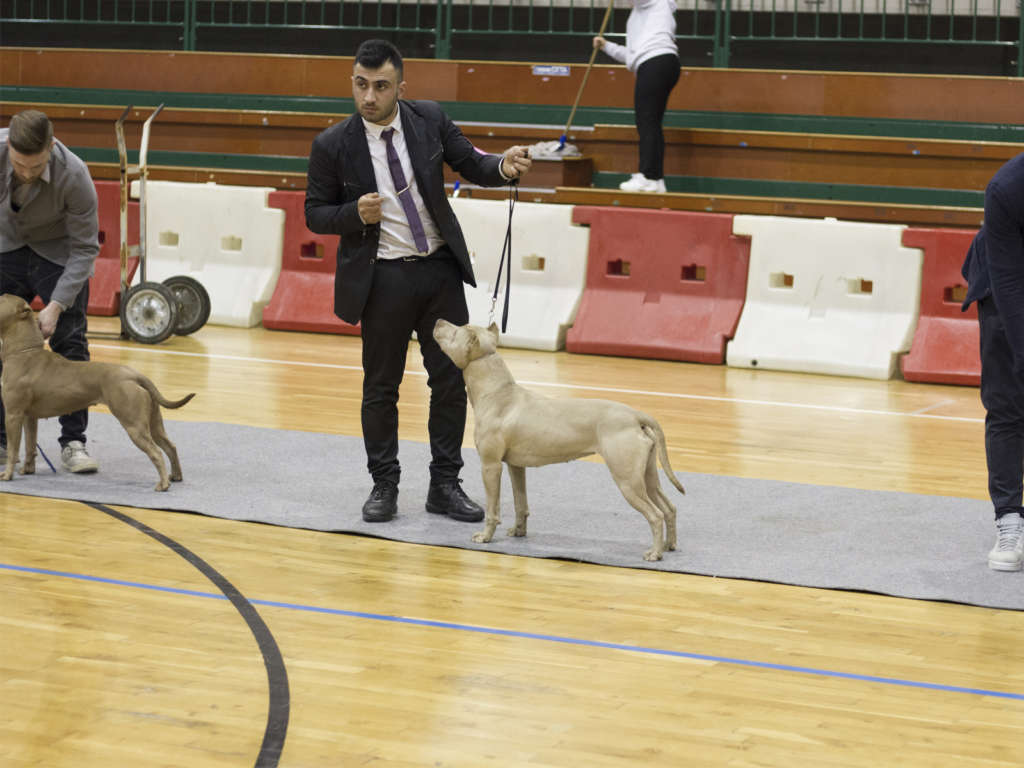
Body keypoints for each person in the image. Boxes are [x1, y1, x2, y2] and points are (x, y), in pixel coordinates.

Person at [305, 39, 532, 524]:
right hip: (381, 278)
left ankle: (445, 485)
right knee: (381, 388)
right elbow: (315, 213)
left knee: (450, 382)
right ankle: (384, 485)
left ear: (400, 87)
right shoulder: (331, 145)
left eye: (380, 86)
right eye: (361, 85)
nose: (369, 96)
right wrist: (352, 214)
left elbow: (474, 163)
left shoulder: (429, 119)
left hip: (438, 271)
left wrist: (503, 165)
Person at [0, 109, 100, 474]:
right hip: (5, 247)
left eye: (36, 167)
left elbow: (86, 248)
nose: (26, 173)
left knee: (70, 343)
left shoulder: (75, 175)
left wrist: (57, 304)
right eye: (19, 165)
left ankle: (73, 442)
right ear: (9, 145)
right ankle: (2, 440)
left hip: (55, 254)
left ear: (52, 146)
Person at [961, 152, 1024, 571]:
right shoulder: (1007, 188)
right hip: (1006, 282)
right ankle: (1009, 519)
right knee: (1006, 403)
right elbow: (1009, 282)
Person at [593, 0, 680, 194]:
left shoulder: (656, 2)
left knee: (647, 121)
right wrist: (607, 46)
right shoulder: (640, 16)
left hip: (655, 63)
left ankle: (647, 176)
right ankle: (655, 179)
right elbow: (632, 56)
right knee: (651, 122)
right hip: (658, 63)